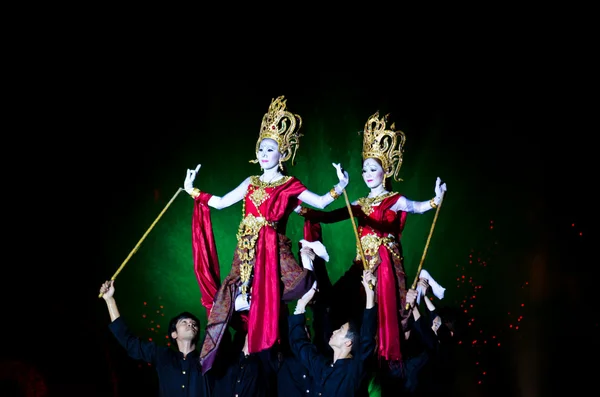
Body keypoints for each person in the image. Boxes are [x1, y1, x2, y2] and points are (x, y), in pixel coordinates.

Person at [183, 95, 349, 374]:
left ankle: (308, 255)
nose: (263, 153)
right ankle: (221, 351)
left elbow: (319, 202)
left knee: (302, 284)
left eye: (270, 149)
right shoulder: (251, 181)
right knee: (226, 298)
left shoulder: (289, 184)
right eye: (261, 148)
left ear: (282, 154)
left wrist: (340, 185)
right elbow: (223, 202)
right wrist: (193, 191)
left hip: (273, 248)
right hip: (246, 247)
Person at [296, 110, 447, 371]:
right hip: (361, 266)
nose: (367, 173)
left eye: (373, 168)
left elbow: (417, 207)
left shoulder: (394, 199)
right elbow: (331, 216)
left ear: (385, 170)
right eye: (364, 168)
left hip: (384, 266)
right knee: (335, 303)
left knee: (382, 316)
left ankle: (385, 361)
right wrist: (304, 210)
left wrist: (435, 200)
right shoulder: (360, 202)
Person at [99, 280, 213, 397]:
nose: (190, 324)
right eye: (184, 322)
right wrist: (110, 300)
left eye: (194, 324)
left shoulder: (208, 361)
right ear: (174, 334)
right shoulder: (162, 355)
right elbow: (129, 341)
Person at [287, 269, 378, 397]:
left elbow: (367, 337)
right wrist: (300, 307)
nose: (335, 331)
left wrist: (370, 295)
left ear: (348, 342)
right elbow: (300, 346)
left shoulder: (354, 370)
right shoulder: (322, 367)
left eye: (340, 330)